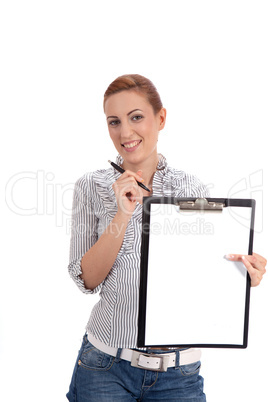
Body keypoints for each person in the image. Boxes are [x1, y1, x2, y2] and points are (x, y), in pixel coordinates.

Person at [66, 74, 266, 401]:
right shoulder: (91, 186)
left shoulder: (193, 189)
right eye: (114, 121)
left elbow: (202, 275)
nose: (125, 132)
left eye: (136, 117)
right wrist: (123, 213)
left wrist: (243, 275)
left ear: (160, 119)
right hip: (105, 365)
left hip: (179, 373)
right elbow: (87, 280)